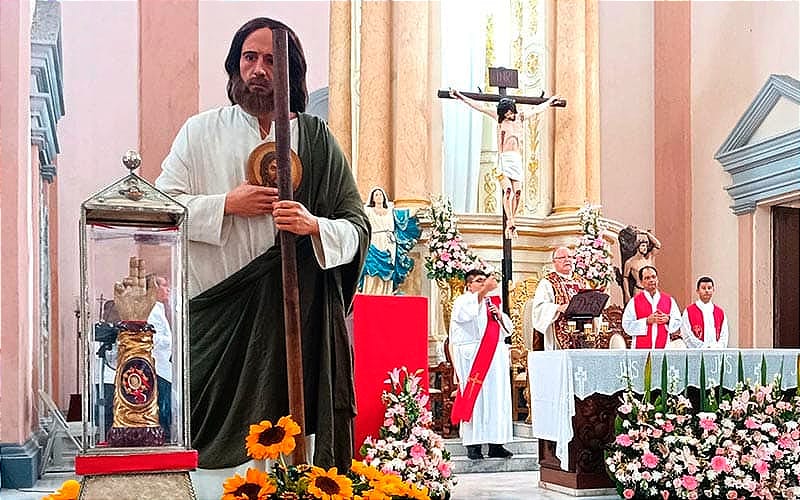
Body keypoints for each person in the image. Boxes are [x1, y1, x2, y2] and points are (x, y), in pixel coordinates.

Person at [155, 17, 370, 471]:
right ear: (235, 66)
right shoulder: (199, 132)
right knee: (215, 464)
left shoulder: (316, 140)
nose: (259, 69)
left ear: (292, 72)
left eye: (272, 60)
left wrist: (314, 226)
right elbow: (163, 210)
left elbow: (356, 227)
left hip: (297, 321)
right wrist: (226, 204)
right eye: (250, 58)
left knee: (290, 459)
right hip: (219, 321)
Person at [450, 89, 559, 238]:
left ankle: (512, 220)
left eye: (510, 112)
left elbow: (537, 110)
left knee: (518, 193)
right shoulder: (500, 120)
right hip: (504, 160)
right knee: (508, 191)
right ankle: (511, 222)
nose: (509, 115)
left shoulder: (520, 117)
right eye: (506, 113)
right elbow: (479, 107)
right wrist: (460, 96)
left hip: (516, 160)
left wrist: (550, 101)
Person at [448, 269, 514, 460]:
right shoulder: (462, 301)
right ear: (469, 285)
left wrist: (500, 316)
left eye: (485, 281)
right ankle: (473, 445)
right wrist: (484, 292)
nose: (483, 284)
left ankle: (496, 444)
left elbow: (507, 331)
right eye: (478, 281)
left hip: (495, 359)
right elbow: (464, 316)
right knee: (475, 399)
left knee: (496, 400)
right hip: (473, 357)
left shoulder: (491, 303)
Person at [359, 187, 420, 295]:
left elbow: (405, 214)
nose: (379, 197)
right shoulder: (368, 211)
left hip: (388, 242)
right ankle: (370, 293)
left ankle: (385, 293)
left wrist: (418, 207)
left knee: (388, 266)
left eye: (380, 194)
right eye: (376, 195)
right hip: (374, 240)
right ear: (372, 198)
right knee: (372, 266)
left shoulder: (391, 211)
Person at [531, 247, 586, 350]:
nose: (567, 260)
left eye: (570, 257)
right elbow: (538, 309)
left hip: (581, 328)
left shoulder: (581, 281)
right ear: (554, 262)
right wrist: (557, 308)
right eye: (562, 257)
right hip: (557, 331)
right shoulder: (547, 282)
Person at [622, 266, 682, 349]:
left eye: (653, 277)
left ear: (657, 279)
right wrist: (646, 321)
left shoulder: (669, 300)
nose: (651, 280)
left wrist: (668, 320)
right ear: (641, 282)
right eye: (647, 278)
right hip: (641, 350)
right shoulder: (634, 302)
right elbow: (627, 326)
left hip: (663, 349)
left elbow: (678, 321)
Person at [147, 274, 173, 440]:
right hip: (158, 366)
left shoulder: (159, 309)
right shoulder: (152, 311)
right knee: (162, 406)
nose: (168, 289)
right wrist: (171, 340)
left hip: (164, 365)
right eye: (163, 285)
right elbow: (152, 338)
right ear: (154, 289)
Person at [681, 276, 729, 348]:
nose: (707, 291)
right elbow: (687, 335)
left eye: (709, 288)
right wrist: (704, 348)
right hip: (696, 353)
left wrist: (717, 347)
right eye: (703, 288)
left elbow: (724, 335)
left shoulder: (720, 312)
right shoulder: (689, 311)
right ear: (697, 290)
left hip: (716, 352)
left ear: (713, 290)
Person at [620, 228, 662, 304]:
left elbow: (658, 245)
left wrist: (646, 233)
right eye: (643, 246)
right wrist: (627, 294)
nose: (645, 248)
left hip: (651, 290)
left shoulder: (649, 257)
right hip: (639, 290)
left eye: (646, 246)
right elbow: (625, 278)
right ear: (637, 247)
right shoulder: (630, 262)